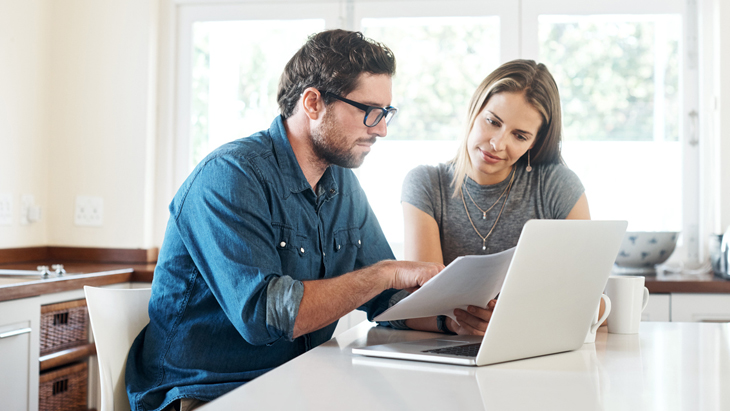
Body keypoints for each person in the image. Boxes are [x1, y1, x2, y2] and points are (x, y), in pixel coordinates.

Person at [125, 29, 450, 411]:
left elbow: (385, 299)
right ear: (313, 102)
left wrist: (449, 322)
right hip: (208, 392)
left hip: (298, 382)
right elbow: (265, 315)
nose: (379, 129)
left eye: (386, 114)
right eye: (369, 112)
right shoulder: (230, 176)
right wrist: (386, 272)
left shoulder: (341, 183)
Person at [400, 59, 591, 334]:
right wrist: (458, 324)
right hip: (448, 355)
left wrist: (515, 320)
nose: (497, 144)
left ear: (534, 143)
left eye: (520, 135)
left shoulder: (557, 186)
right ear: (474, 109)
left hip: (533, 349)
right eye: (492, 122)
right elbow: (425, 303)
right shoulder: (426, 185)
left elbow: (589, 298)